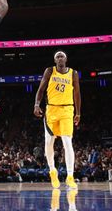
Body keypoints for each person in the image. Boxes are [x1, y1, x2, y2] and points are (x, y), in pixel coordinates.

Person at [33, 51, 81, 189]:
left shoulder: (73, 73)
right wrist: (37, 104)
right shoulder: (49, 71)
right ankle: (52, 171)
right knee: (49, 141)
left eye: (62, 56)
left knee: (67, 142)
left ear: (66, 59)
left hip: (67, 110)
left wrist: (78, 113)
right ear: (55, 60)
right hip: (51, 110)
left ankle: (70, 176)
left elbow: (77, 93)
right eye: (57, 57)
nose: (60, 58)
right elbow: (41, 89)